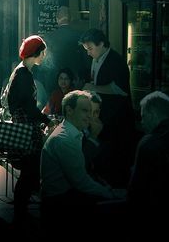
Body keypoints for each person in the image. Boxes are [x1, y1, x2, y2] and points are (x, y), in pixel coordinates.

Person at [40, 90, 125, 238]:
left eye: (93, 111)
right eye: (85, 110)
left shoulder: (72, 133)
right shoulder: (64, 138)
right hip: (58, 205)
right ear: (69, 110)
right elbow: (80, 181)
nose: (89, 116)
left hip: (62, 198)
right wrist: (110, 194)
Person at [79, 28, 136, 187]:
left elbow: (120, 89)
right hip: (102, 116)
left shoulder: (116, 60)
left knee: (115, 158)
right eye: (86, 49)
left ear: (102, 43)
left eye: (90, 48)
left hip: (117, 118)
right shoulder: (95, 58)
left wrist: (93, 88)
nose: (88, 53)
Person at [7, 35, 51, 228]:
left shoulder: (21, 71)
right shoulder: (24, 74)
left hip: (23, 127)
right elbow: (28, 106)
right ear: (37, 53)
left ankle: (20, 213)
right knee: (29, 173)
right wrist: (45, 118)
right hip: (27, 129)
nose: (45, 56)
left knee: (28, 172)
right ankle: (20, 215)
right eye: (43, 52)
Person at [127, 91, 169, 239]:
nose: (142, 122)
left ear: (152, 114)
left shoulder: (149, 143)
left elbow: (135, 192)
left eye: (143, 116)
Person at [38, 6, 89, 95]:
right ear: (71, 18)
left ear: (57, 19)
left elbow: (44, 63)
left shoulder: (48, 37)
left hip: (53, 82)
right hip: (75, 82)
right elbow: (86, 61)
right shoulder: (79, 36)